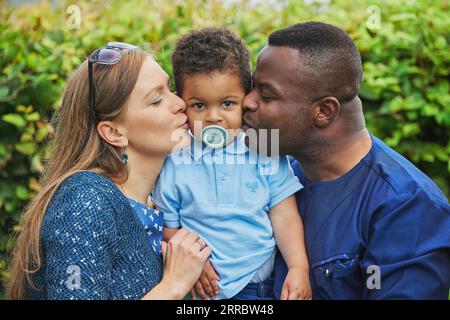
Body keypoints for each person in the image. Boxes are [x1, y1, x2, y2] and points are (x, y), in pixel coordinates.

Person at [242, 22, 450, 299]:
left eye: (266, 95)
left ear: (324, 111)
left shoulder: (406, 208)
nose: (247, 102)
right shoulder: (276, 177)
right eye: (252, 87)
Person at [7, 42, 211, 300]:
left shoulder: (159, 201)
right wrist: (173, 286)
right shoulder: (85, 202)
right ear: (114, 132)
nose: (180, 103)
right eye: (157, 99)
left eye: (170, 88)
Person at [153, 28, 311, 300]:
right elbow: (169, 228)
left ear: (246, 98)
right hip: (200, 287)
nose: (214, 117)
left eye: (227, 103)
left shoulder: (264, 148)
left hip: (259, 284)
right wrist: (192, 265)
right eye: (199, 105)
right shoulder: (175, 159)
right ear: (182, 104)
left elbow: (284, 215)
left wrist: (299, 267)